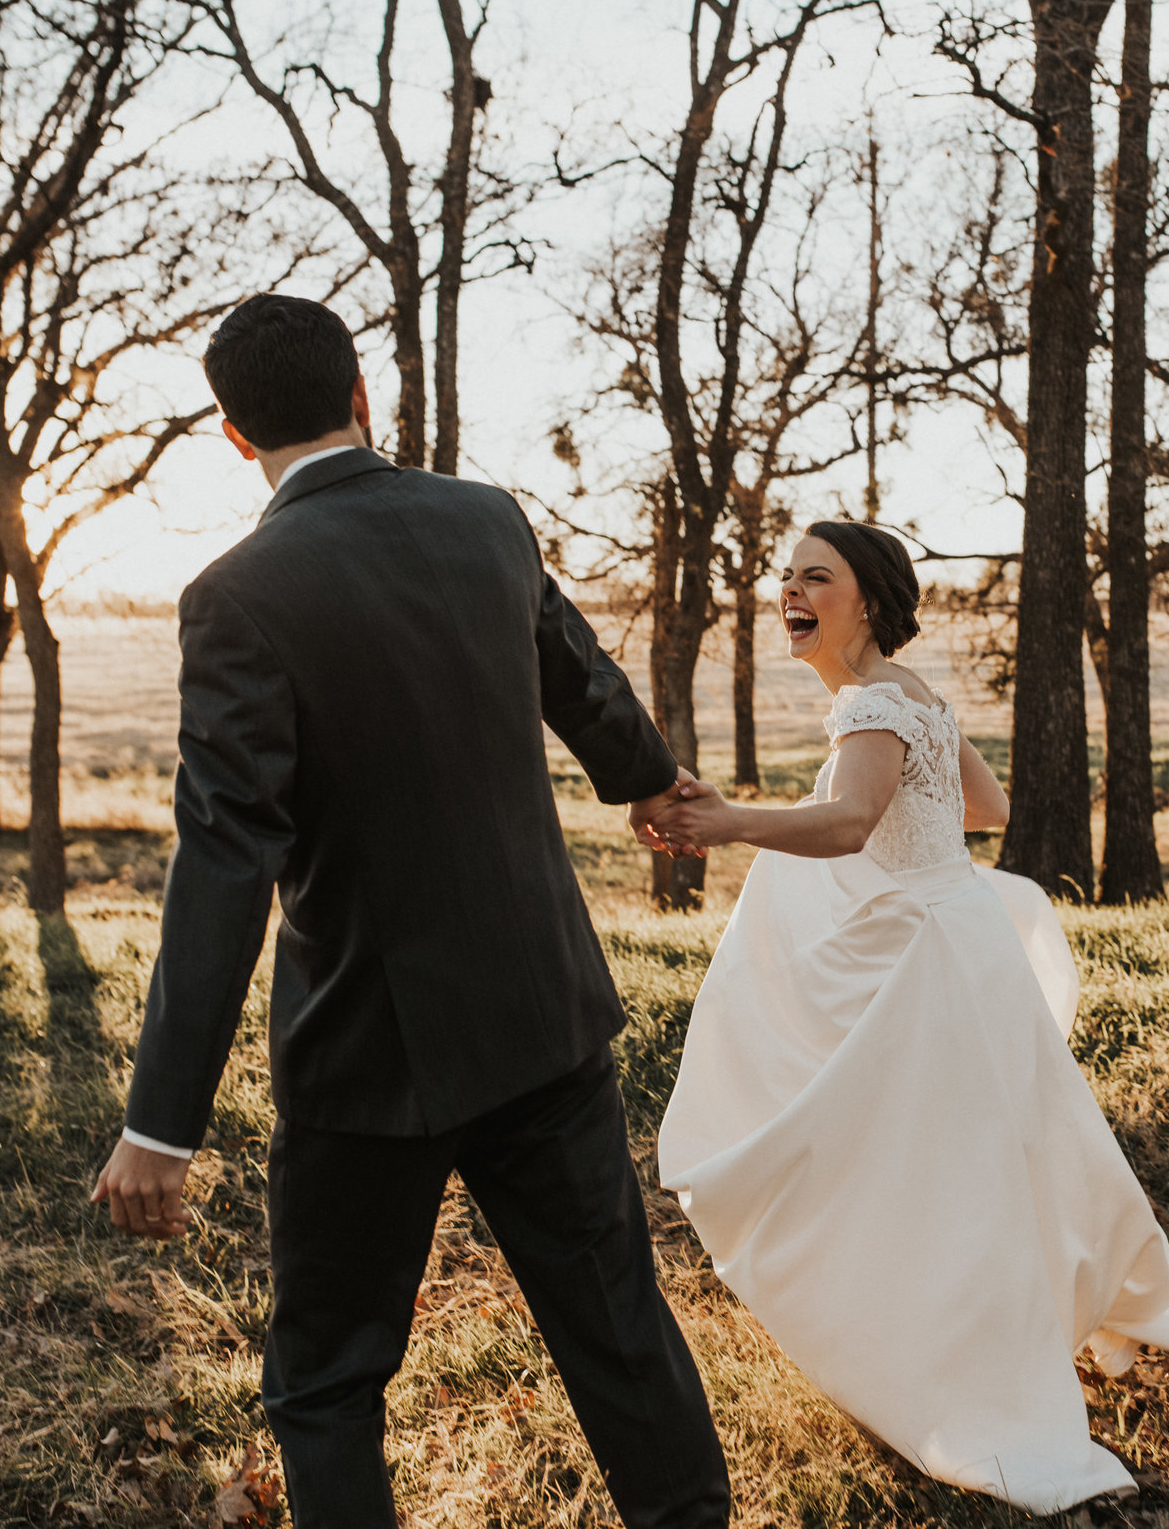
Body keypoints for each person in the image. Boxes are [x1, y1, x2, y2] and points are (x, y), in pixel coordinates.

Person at [88, 295, 729, 1529]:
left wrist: (162, 1127)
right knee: (618, 1328)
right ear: (362, 396)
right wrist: (647, 782)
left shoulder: (237, 594)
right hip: (542, 1015)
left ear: (235, 436)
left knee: (327, 1381)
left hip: (365, 1057)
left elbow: (227, 856)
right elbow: (578, 673)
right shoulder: (485, 520)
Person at [647, 521, 1169, 1515]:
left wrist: (733, 824)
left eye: (814, 577)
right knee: (984, 1165)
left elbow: (847, 825)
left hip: (918, 964)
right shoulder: (907, 697)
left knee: (922, 1175)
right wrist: (900, 834)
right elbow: (982, 806)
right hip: (961, 942)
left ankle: (957, 1366)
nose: (790, 589)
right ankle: (1007, 1328)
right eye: (785, 576)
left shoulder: (874, 700)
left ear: (864, 597)